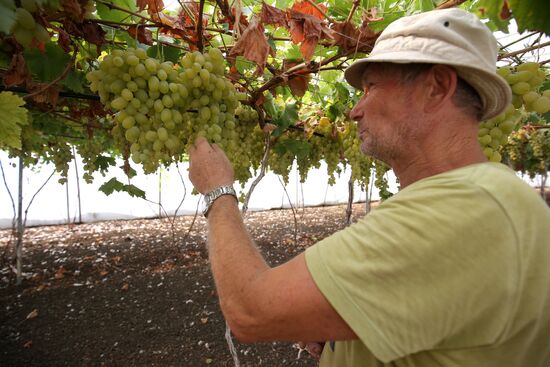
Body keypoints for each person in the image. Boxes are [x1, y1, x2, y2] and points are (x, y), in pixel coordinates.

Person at [188, 8, 550, 366]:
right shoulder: (484, 199)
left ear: (436, 88)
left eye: (371, 87)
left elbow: (251, 312)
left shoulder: (461, 210)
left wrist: (217, 191)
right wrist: (351, 326)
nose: (354, 111)